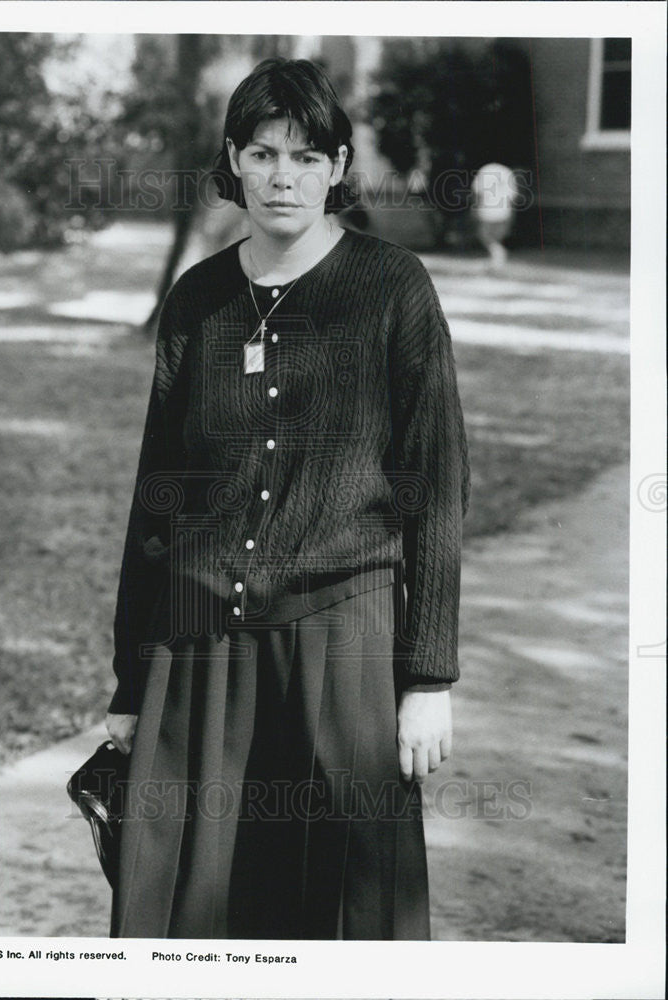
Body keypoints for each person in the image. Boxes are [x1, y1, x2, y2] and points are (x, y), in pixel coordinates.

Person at [106, 57, 470, 941]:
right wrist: (128, 677)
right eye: (263, 153)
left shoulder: (392, 288)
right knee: (182, 907)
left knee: (348, 905)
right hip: (202, 642)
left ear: (339, 169)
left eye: (307, 157)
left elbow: (437, 485)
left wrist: (426, 679)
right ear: (232, 160)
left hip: (342, 639)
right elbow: (157, 505)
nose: (282, 177)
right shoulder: (196, 302)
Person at [470, 161, 519, 268]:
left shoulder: (485, 170)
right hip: (504, 210)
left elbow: (478, 192)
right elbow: (513, 196)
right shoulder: (507, 172)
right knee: (495, 237)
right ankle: (496, 259)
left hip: (487, 209)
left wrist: (475, 208)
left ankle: (498, 255)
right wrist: (512, 212)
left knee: (485, 236)